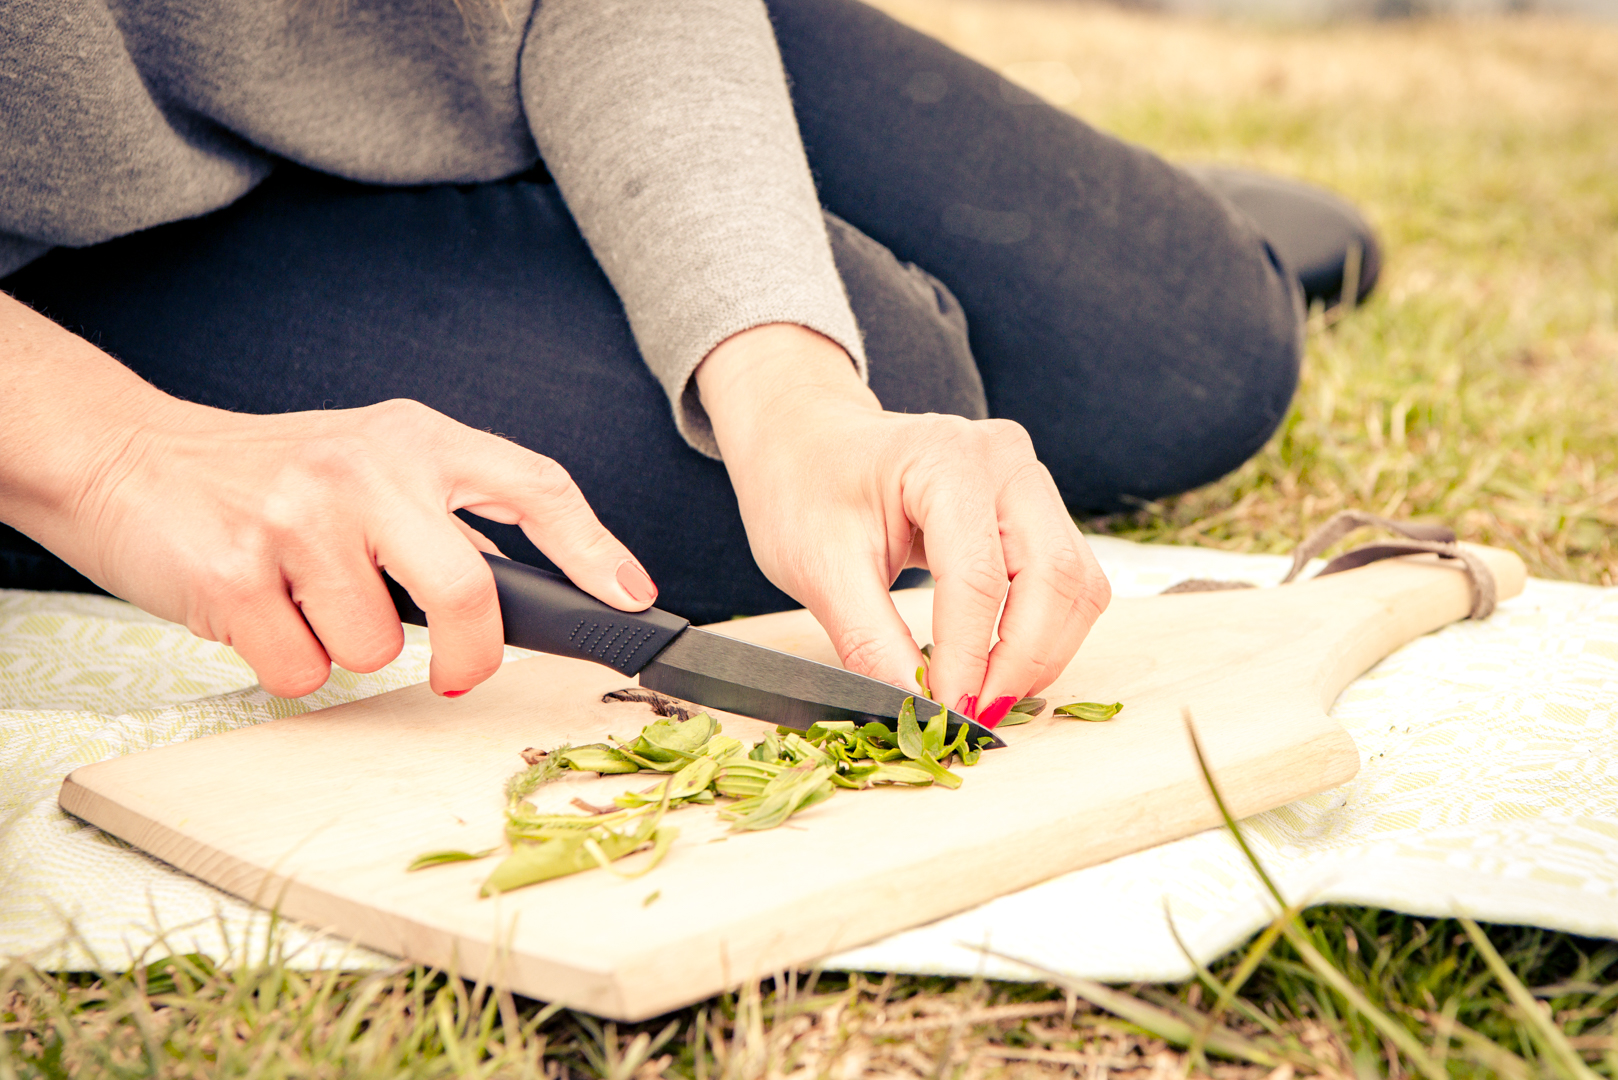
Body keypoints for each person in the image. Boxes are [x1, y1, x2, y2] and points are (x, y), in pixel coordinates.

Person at [0, 0, 1375, 727]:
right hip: (48, 258)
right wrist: (116, 455)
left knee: (1187, 349)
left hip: (464, 35)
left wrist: (789, 388)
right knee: (898, 368)